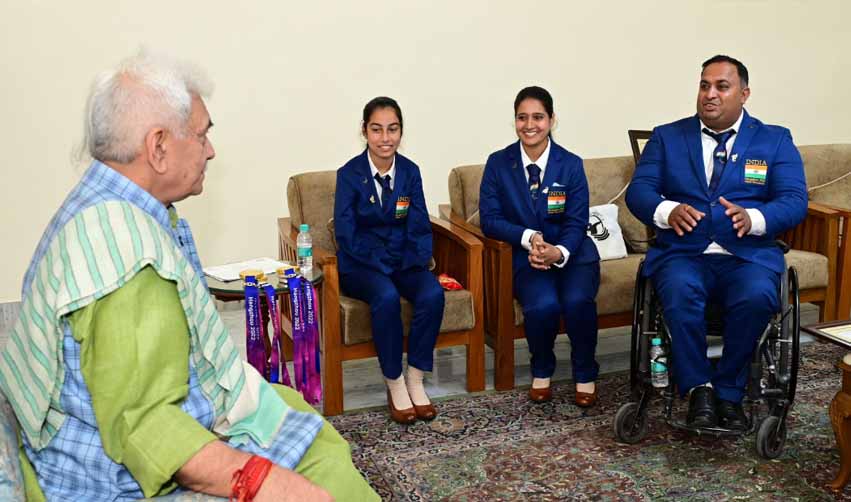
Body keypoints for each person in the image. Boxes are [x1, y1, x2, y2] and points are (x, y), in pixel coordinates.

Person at [0, 51, 378, 501]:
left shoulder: (104, 204)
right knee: (326, 472)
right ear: (158, 146)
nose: (211, 150)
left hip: (87, 440)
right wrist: (268, 482)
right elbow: (148, 426)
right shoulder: (129, 259)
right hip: (107, 477)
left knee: (292, 410)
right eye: (202, 135)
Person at [626, 55, 807, 431]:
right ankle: (698, 390)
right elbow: (639, 191)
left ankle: (728, 391)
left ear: (744, 94)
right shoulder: (668, 136)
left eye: (721, 87)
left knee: (757, 296)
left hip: (747, 254)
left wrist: (755, 218)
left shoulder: (774, 139)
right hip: (683, 252)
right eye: (704, 85)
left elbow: (793, 200)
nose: (710, 94)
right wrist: (667, 209)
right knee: (677, 290)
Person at [479, 86, 601, 406]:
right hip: (527, 258)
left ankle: (585, 372)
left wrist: (559, 252)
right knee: (542, 306)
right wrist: (529, 238)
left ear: (551, 120)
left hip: (573, 255)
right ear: (515, 121)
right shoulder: (498, 164)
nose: (529, 125)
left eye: (538, 117)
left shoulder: (571, 164)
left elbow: (577, 221)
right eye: (522, 118)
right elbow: (489, 219)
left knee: (577, 302)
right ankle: (542, 368)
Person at [334, 97, 445, 424]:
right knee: (384, 296)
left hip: (404, 261)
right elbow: (346, 233)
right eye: (377, 129)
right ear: (364, 131)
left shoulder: (410, 172)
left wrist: (414, 258)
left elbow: (420, 223)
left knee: (432, 294)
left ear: (401, 132)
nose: (385, 138)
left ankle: (415, 377)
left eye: (392, 129)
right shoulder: (349, 175)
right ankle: (394, 381)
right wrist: (383, 263)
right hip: (362, 265)